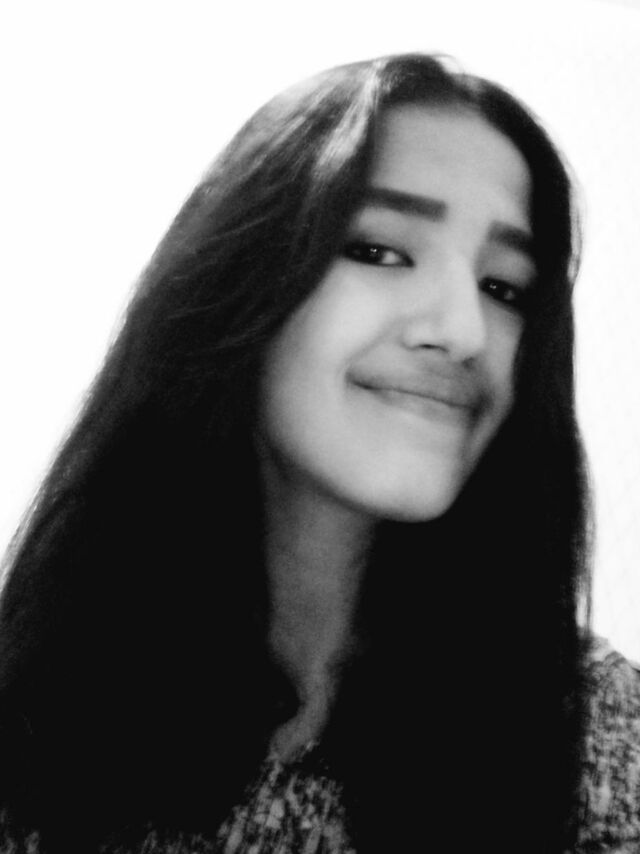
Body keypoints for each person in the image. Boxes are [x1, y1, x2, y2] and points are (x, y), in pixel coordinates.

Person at [0, 53, 638, 854]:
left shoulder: (600, 736)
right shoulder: (32, 704)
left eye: (505, 287)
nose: (464, 330)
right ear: (235, 282)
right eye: (379, 251)